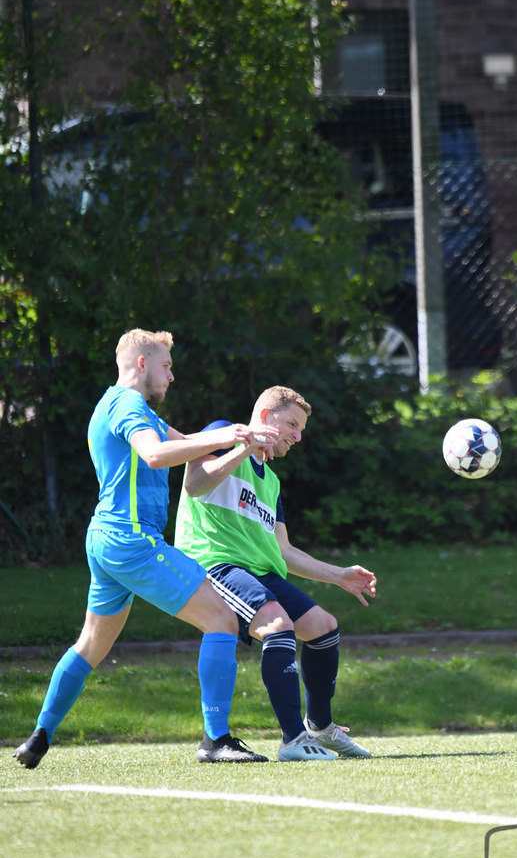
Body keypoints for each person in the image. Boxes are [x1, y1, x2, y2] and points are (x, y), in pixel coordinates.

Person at [13, 328, 279, 769]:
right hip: (133, 541)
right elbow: (156, 455)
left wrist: (242, 441)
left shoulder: (123, 408)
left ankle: (40, 735)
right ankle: (216, 739)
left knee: (91, 645)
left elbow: (190, 449)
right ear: (142, 364)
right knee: (223, 618)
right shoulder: (129, 405)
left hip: (106, 542)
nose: (171, 376)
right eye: (167, 365)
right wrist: (229, 436)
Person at [174, 385, 377, 762]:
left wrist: (340, 575)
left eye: (301, 430)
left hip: (259, 572)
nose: (298, 436)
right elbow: (194, 484)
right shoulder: (223, 432)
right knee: (277, 625)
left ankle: (319, 726)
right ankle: (293, 740)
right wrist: (245, 447)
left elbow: (283, 551)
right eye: (292, 425)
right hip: (215, 563)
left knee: (324, 627)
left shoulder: (271, 481)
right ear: (265, 417)